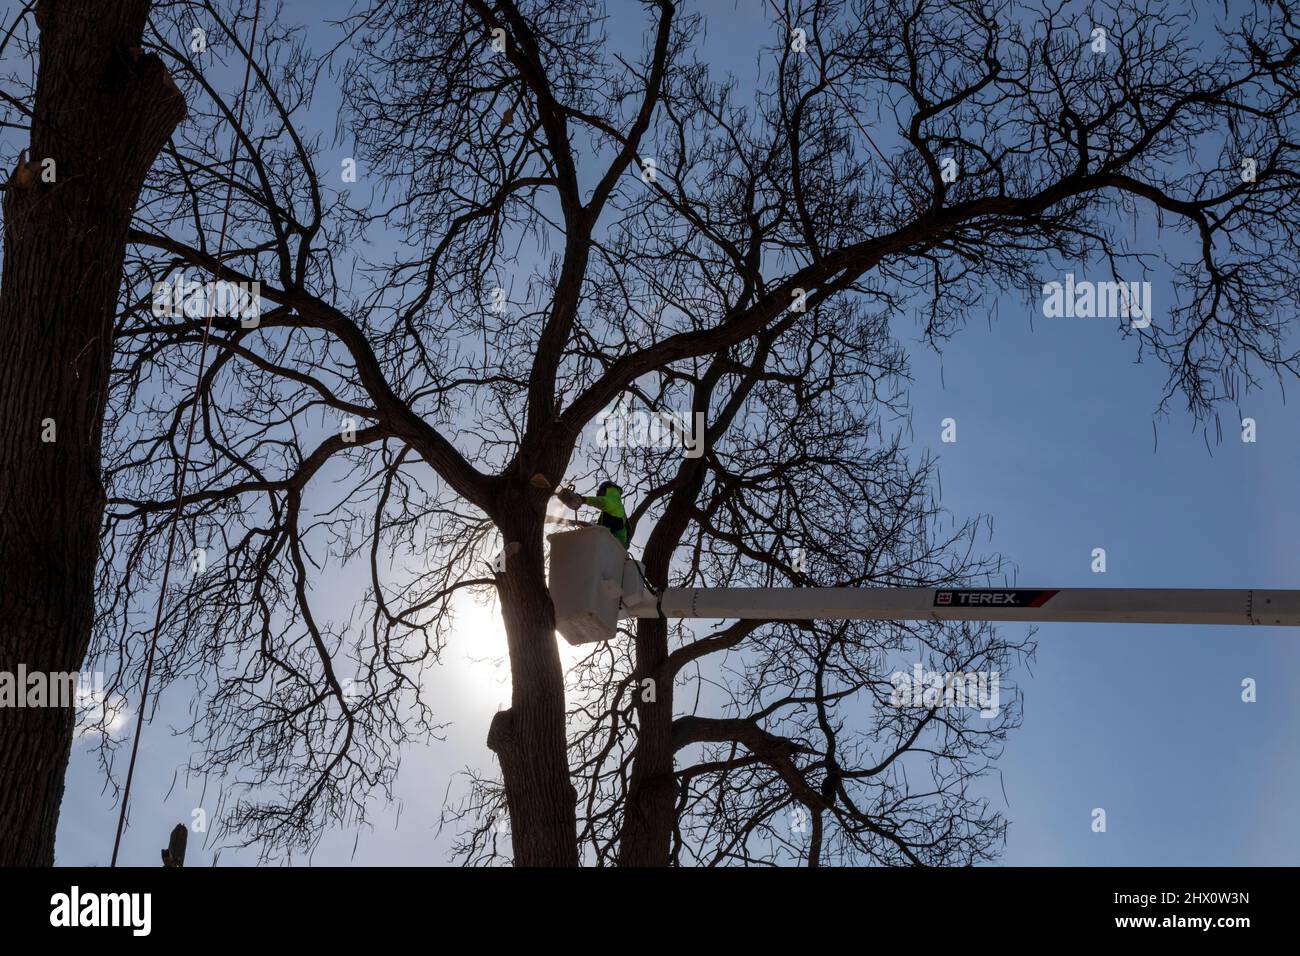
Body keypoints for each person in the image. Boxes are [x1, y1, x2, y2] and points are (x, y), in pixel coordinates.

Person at [558, 480, 629, 548]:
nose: (598, 494)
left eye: (599, 492)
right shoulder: (608, 512)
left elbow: (603, 502)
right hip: (609, 545)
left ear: (606, 490)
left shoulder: (615, 504)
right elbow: (599, 529)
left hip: (615, 546)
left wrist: (582, 499)